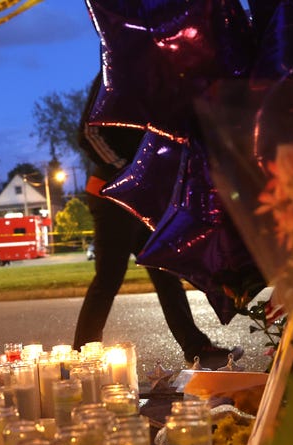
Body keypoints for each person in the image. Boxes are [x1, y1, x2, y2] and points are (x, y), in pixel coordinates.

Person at [72, 75, 241, 369]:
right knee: (109, 277)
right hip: (111, 194)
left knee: (165, 272)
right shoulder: (112, 74)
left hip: (142, 198)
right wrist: (130, 174)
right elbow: (88, 134)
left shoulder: (154, 79)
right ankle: (81, 357)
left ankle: (196, 348)